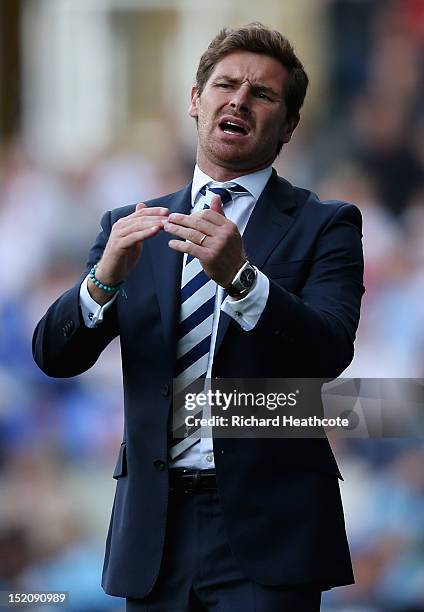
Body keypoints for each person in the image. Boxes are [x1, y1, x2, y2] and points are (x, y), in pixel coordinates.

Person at [33, 23, 364, 612]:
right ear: (196, 100)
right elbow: (54, 356)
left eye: (261, 94)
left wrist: (243, 278)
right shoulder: (131, 224)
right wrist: (101, 281)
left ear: (288, 125)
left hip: (270, 534)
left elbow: (330, 351)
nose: (238, 99)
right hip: (154, 531)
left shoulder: (326, 224)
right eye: (225, 85)